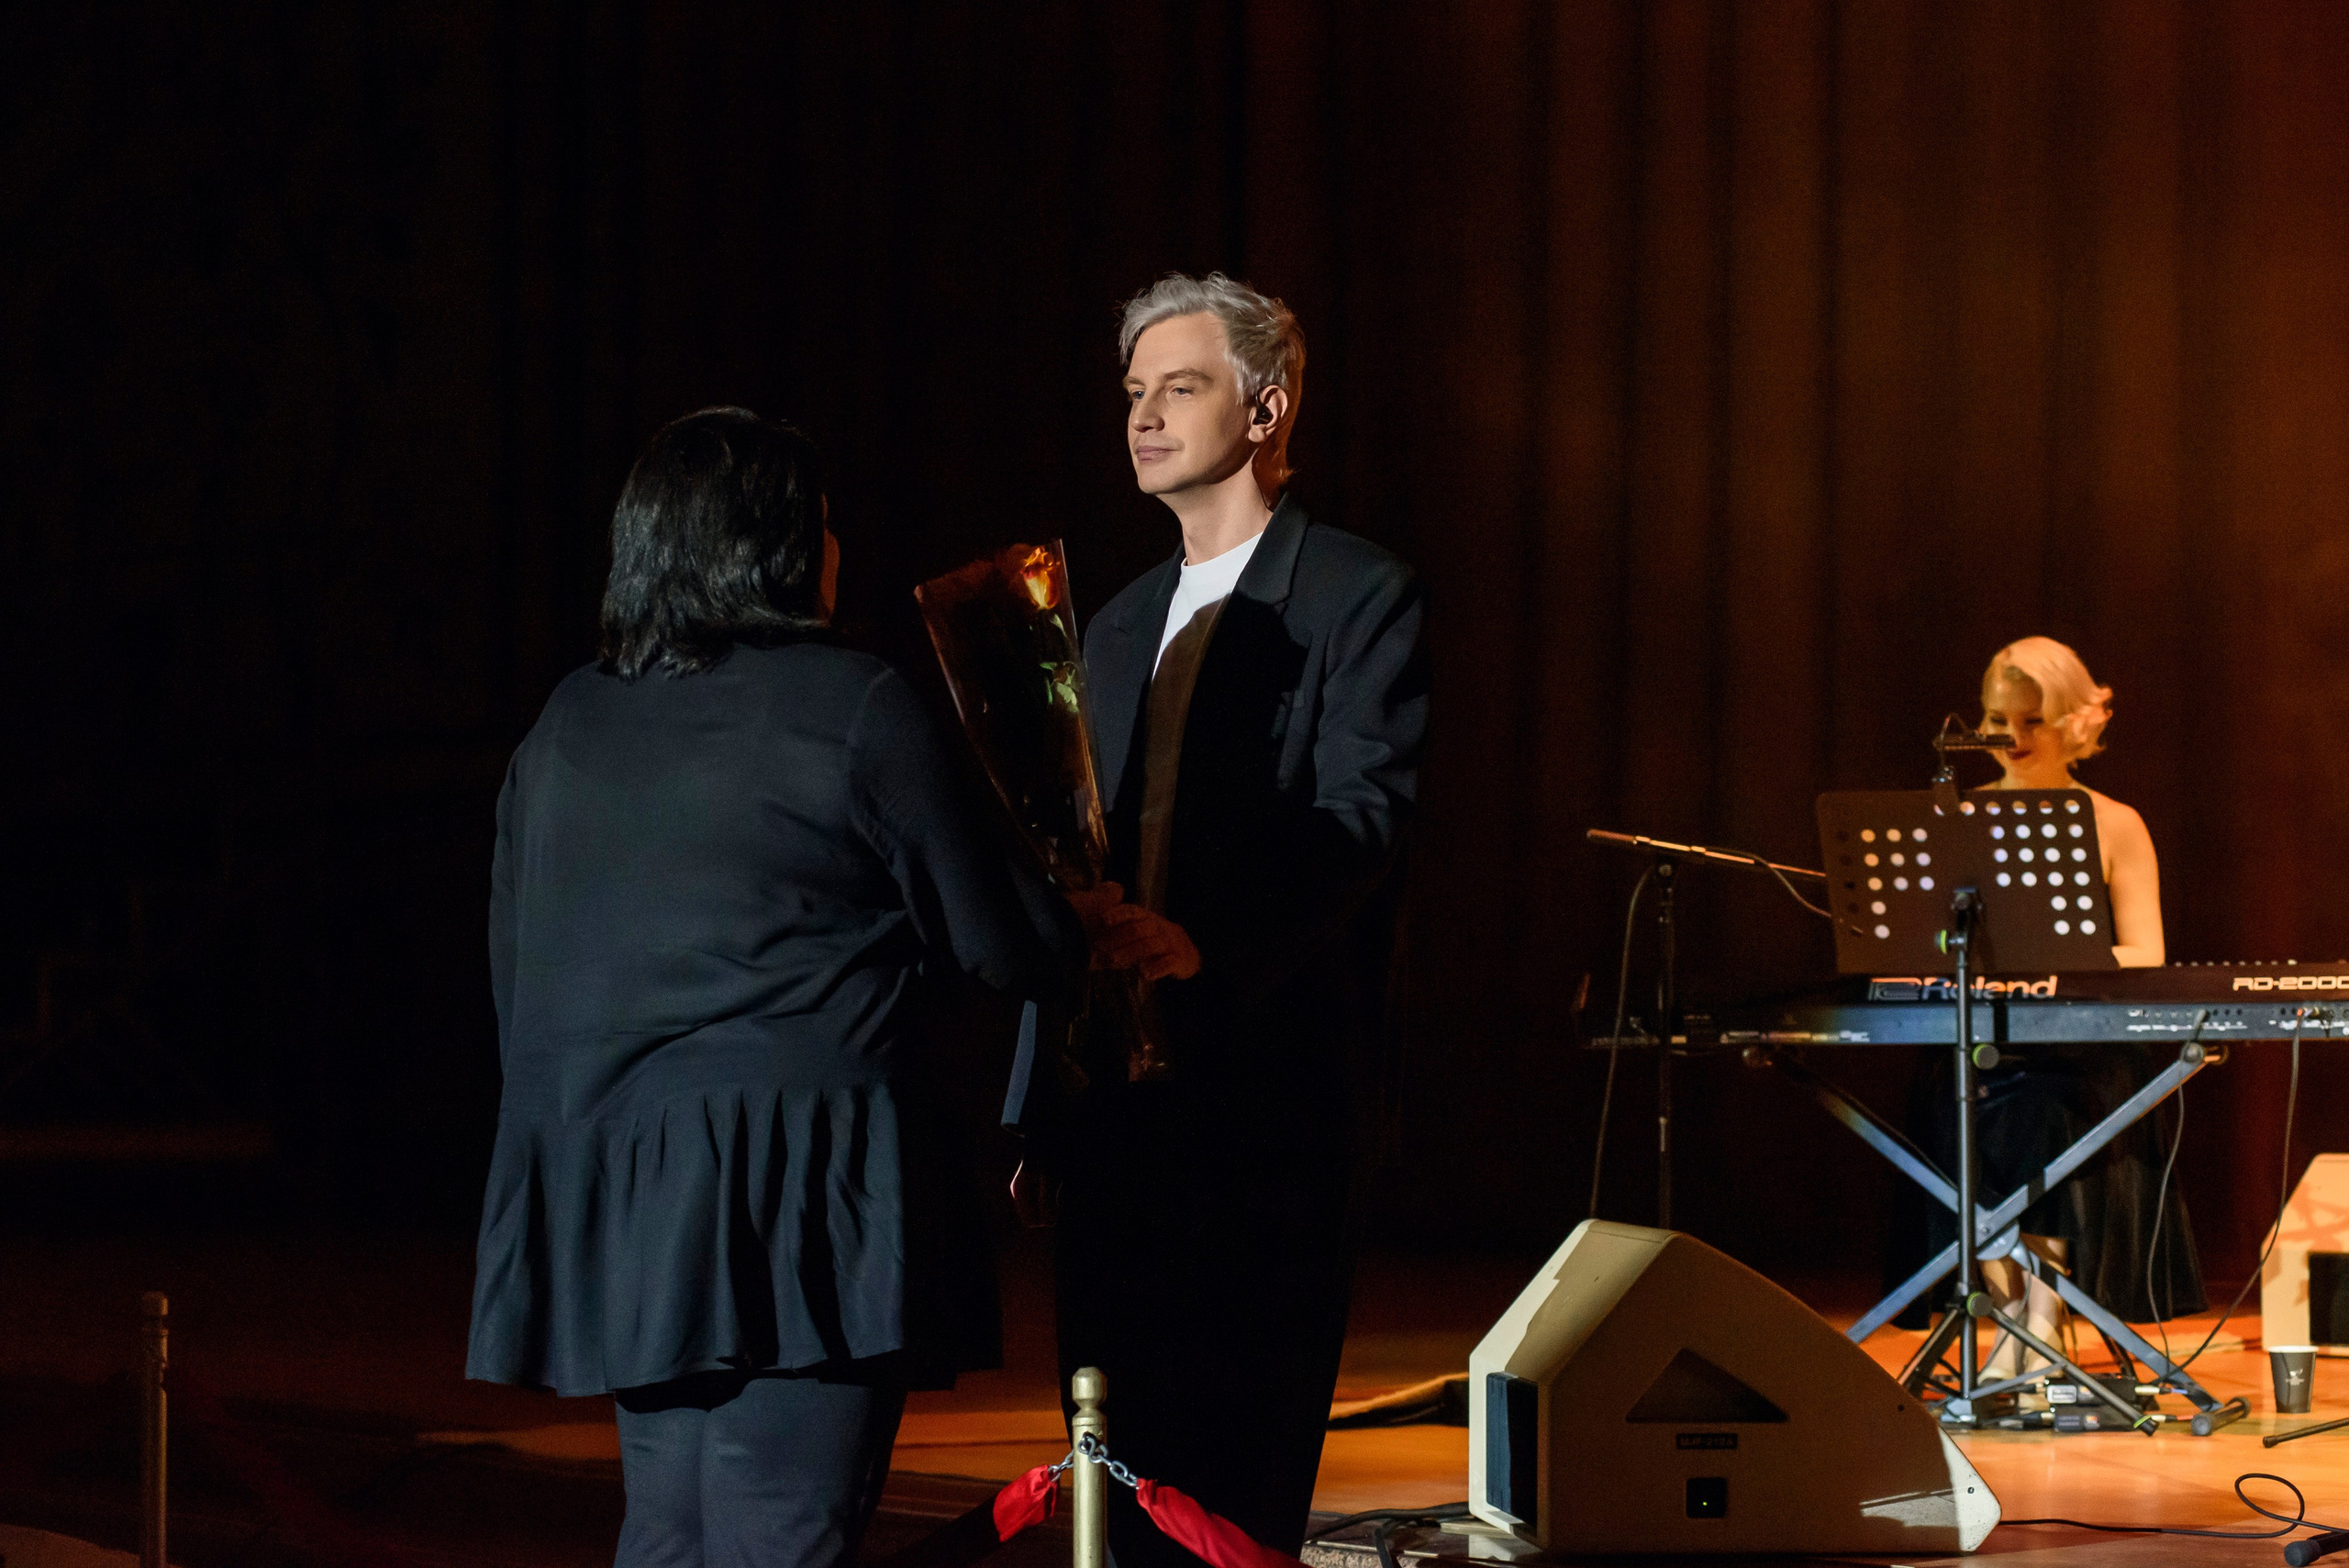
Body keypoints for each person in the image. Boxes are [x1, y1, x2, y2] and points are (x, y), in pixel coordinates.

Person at [466, 408, 1086, 1566]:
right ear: (777, 544)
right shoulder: (851, 702)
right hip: (811, 1198)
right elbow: (1010, 947)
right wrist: (1071, 887)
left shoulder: (566, 722)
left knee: (668, 1529)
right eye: (823, 521)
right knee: (782, 1530)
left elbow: (520, 970)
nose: (836, 542)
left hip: (626, 1193)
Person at [1014, 273, 1429, 1567]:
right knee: (1114, 1481)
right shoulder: (1116, 617)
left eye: (1177, 387)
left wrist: (1209, 942)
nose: (1142, 415)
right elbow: (1071, 853)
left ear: (1267, 405)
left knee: (1235, 1491)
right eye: (1132, 393)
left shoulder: (1359, 594)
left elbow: (1361, 819)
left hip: (1266, 1101)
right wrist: (1038, 1095)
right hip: (1115, 1115)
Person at [1908, 636, 2199, 1381]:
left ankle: (2035, 1330)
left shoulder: (2116, 822)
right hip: (1989, 1037)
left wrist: (2060, 965)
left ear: (2072, 722)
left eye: (2030, 720)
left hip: (2079, 1048)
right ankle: (2016, 1329)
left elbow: (2148, 953)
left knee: (2042, 1106)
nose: (2010, 738)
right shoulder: (1962, 817)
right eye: (1997, 719)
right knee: (1969, 1091)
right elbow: (1929, 945)